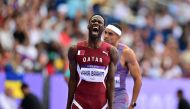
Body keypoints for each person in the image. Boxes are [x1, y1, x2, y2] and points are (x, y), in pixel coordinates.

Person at [66, 15, 118, 109]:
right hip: (79, 103)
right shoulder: (75, 49)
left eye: (99, 22)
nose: (96, 23)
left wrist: (111, 106)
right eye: (93, 21)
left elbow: (110, 82)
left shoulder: (111, 51)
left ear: (104, 28)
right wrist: (68, 105)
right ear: (88, 26)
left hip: (101, 104)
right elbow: (72, 80)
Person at [103, 23, 142, 109]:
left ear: (118, 37)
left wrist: (133, 104)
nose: (105, 36)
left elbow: (138, 79)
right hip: (100, 96)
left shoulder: (126, 53)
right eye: (105, 32)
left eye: (110, 34)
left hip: (118, 97)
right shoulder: (98, 50)